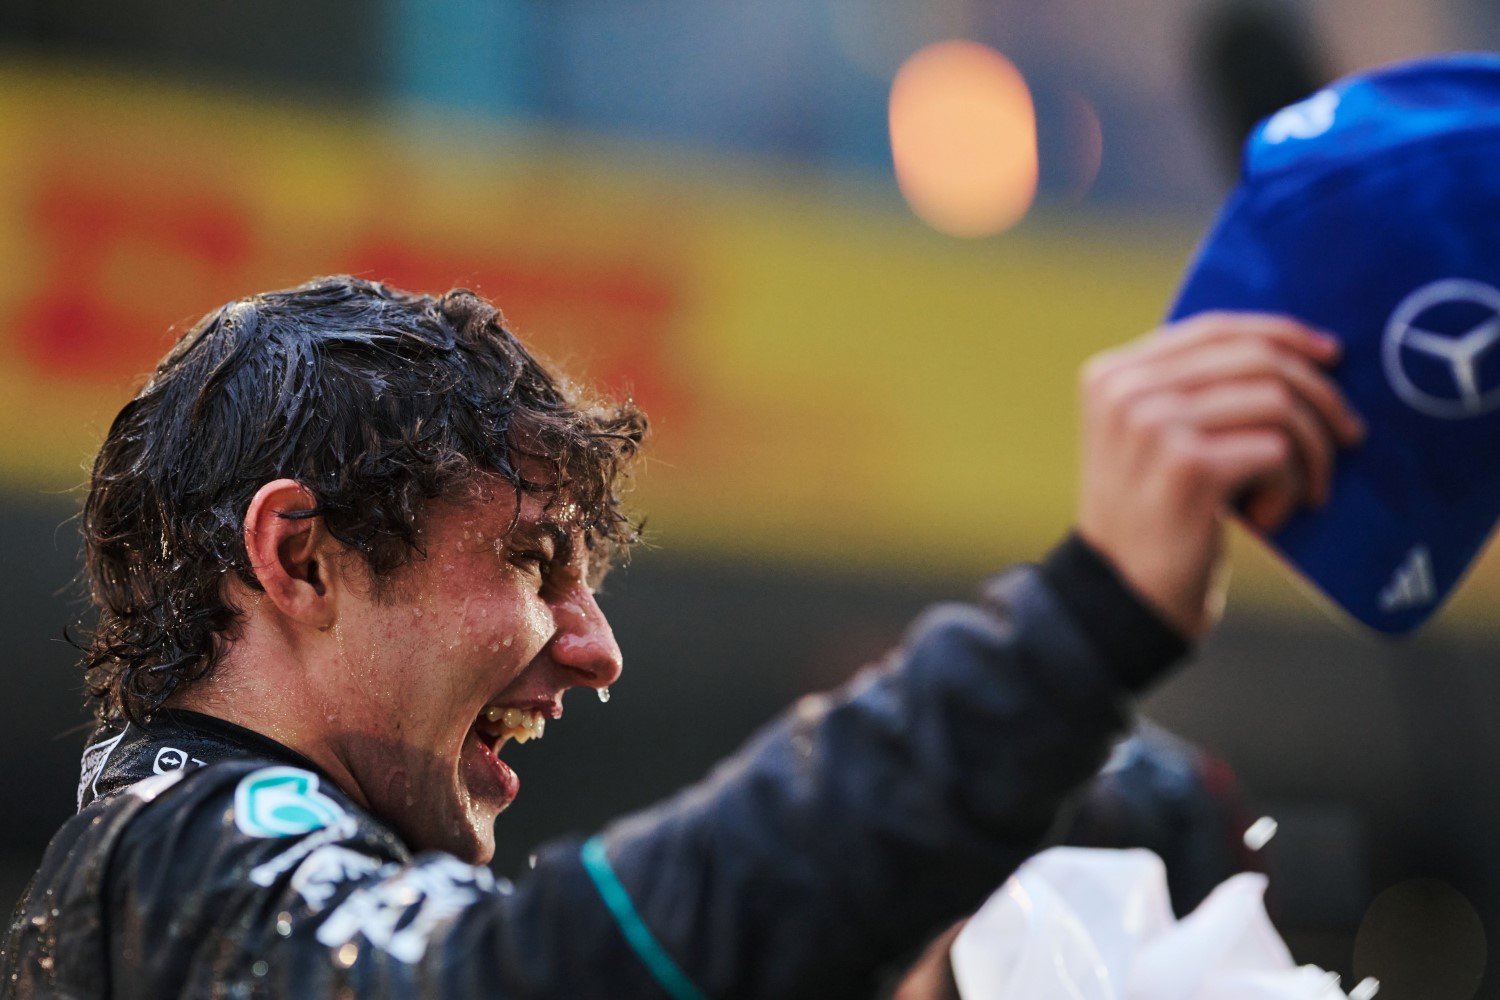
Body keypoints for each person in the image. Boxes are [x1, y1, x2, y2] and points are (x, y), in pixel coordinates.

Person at [0, 276, 1361, 999]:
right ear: (300, 556)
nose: (595, 651)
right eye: (533, 563)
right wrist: (1084, 624)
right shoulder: (174, 855)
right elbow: (521, 983)